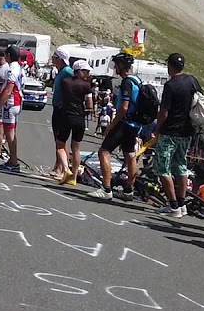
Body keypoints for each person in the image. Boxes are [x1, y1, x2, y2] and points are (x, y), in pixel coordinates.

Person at [89, 52, 142, 201]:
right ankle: (129, 190)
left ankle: (106, 189)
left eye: (116, 65)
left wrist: (112, 125)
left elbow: (124, 108)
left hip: (124, 123)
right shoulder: (137, 80)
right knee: (130, 155)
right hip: (135, 124)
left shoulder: (126, 82)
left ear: (121, 66)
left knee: (104, 152)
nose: (114, 68)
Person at [153, 53, 200, 218]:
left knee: (163, 167)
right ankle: (182, 203)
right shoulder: (192, 81)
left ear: (170, 66)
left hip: (170, 131)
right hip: (187, 132)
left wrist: (158, 129)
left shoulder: (170, 85)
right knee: (181, 166)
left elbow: (164, 111)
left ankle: (173, 205)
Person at [56, 59, 94, 185]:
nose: (88, 74)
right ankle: (74, 176)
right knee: (76, 148)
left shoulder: (65, 82)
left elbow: (61, 97)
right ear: (81, 71)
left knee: (60, 144)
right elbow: (90, 105)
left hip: (66, 115)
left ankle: (66, 169)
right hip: (80, 117)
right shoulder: (87, 86)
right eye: (86, 71)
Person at [0, 45, 25, 173]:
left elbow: (8, 89)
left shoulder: (12, 69)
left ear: (8, 55)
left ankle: (14, 161)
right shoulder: (18, 67)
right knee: (11, 133)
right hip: (16, 102)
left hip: (11, 103)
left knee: (10, 134)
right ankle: (12, 160)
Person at [49, 50, 76, 179]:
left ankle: (61, 169)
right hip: (57, 107)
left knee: (61, 140)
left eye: (54, 57)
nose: (52, 59)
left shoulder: (67, 72)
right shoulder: (61, 71)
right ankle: (58, 165)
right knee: (57, 139)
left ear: (59, 58)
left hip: (62, 109)